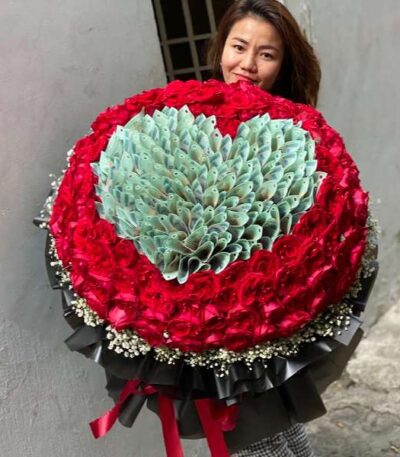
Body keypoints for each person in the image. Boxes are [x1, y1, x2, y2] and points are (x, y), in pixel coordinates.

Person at [207, 1, 322, 456]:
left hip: (270, 306)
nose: (248, 64)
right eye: (239, 47)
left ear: (283, 65)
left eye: (267, 54)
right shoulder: (184, 116)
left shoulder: (295, 132)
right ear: (221, 48)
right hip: (211, 313)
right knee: (260, 433)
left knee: (275, 427)